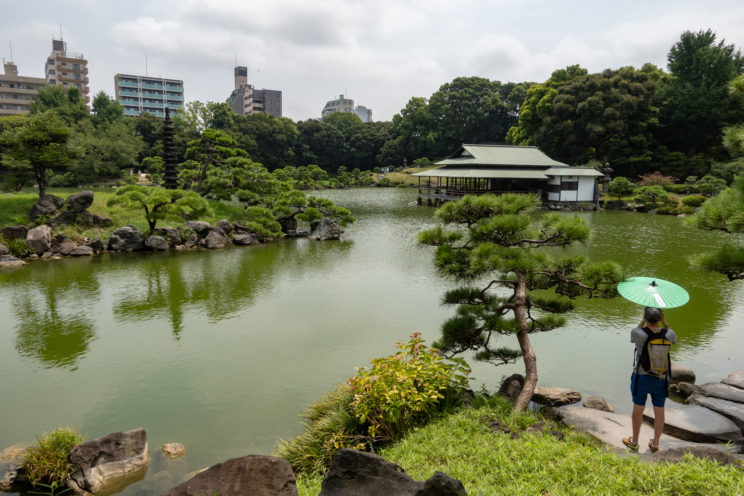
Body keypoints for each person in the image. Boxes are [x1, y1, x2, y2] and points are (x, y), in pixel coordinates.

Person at [622, 306, 677, 453]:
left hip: (642, 376)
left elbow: (634, 333)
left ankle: (634, 441)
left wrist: (642, 321)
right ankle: (655, 444)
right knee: (659, 410)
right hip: (661, 377)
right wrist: (664, 323)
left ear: (645, 318)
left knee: (638, 408)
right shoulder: (669, 334)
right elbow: (675, 339)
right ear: (660, 318)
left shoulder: (638, 333)